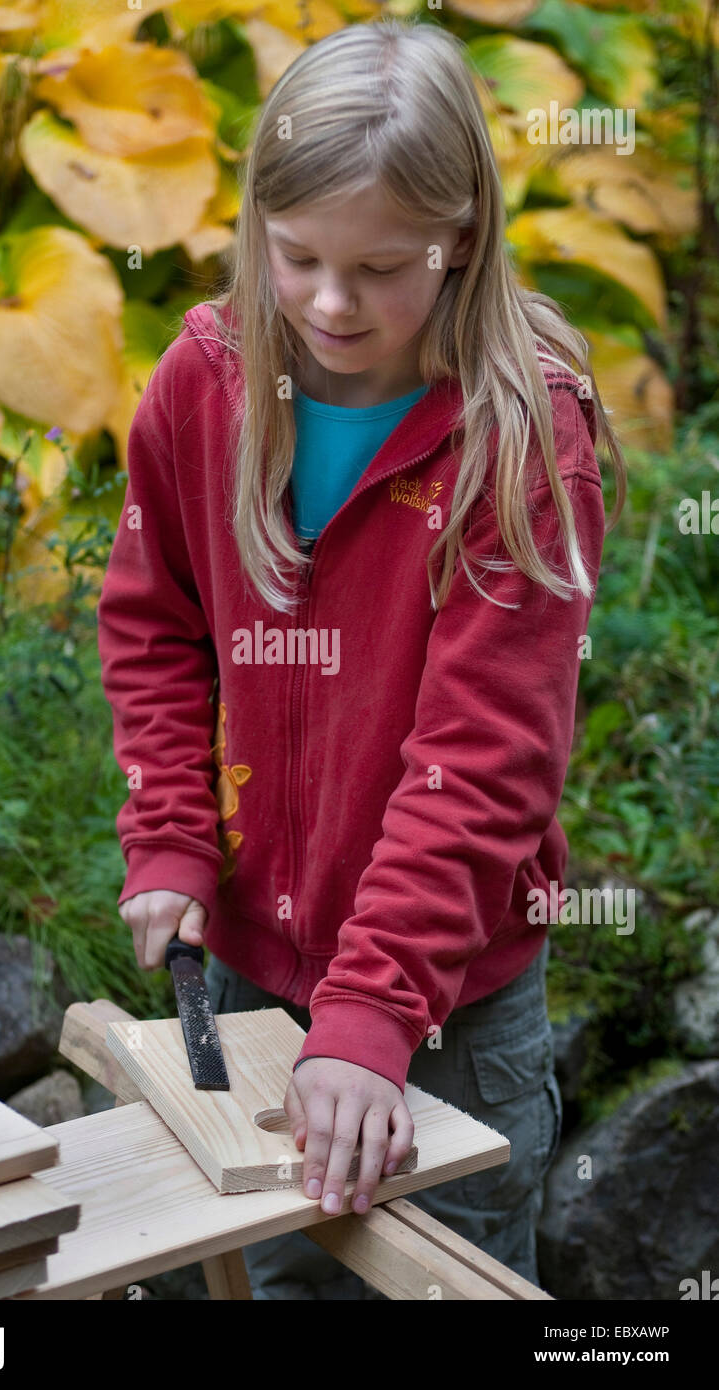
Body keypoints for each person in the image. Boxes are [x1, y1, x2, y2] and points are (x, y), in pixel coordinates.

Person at [97, 17, 626, 1298]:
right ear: (254, 229)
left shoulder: (520, 443)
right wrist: (169, 832)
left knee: (448, 1283)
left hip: (444, 1006)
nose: (331, 305)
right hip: (251, 973)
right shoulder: (203, 386)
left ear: (461, 238)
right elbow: (155, 625)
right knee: (284, 1276)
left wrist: (376, 1009)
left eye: (382, 267)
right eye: (298, 259)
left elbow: (483, 762)